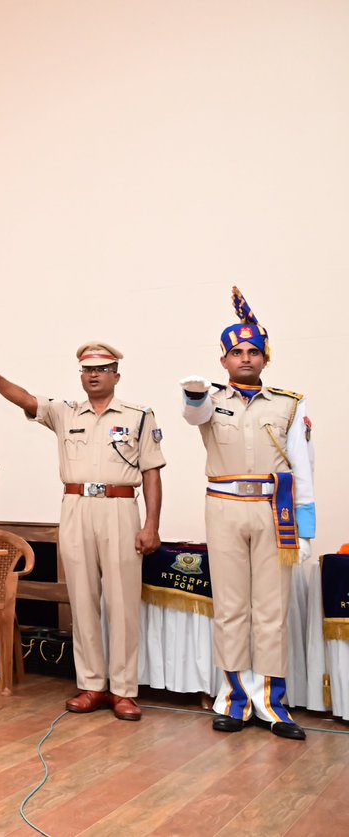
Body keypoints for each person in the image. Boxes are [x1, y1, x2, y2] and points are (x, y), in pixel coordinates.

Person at [0, 343, 164, 721]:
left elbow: (152, 473)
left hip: (121, 507)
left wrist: (151, 524)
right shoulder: (65, 412)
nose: (94, 375)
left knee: (122, 603)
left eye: (103, 369)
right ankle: (91, 685)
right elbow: (25, 399)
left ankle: (123, 691)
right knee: (82, 601)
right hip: (75, 507)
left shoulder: (139, 416)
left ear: (116, 376)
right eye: (87, 370)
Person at [180, 287, 314, 741]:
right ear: (224, 360)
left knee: (272, 610)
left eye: (253, 351)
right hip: (224, 508)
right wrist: (195, 393)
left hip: (273, 510)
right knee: (232, 608)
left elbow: (302, 464)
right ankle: (234, 701)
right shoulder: (209, 400)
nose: (245, 358)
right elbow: (193, 415)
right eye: (236, 352)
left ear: (264, 358)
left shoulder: (289, 403)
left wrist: (307, 524)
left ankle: (274, 706)